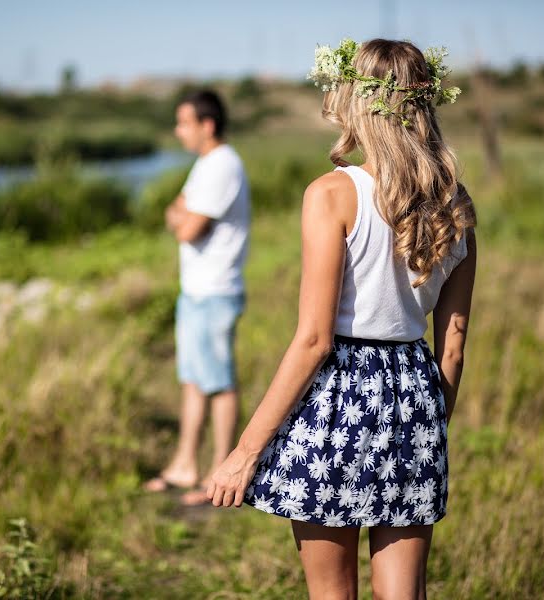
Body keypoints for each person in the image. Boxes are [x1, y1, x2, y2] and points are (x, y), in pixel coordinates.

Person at [204, 39, 477, 599]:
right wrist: (427, 424)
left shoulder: (332, 194)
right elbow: (452, 348)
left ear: (356, 101)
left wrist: (244, 452)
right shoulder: (455, 203)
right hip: (414, 393)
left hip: (339, 398)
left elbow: (312, 340)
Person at [143, 90, 251, 507]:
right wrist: (181, 215)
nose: (178, 130)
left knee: (219, 382)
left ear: (207, 124)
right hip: (196, 291)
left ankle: (218, 474)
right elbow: (177, 212)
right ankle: (185, 464)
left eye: (184, 122)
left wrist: (181, 218)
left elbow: (187, 227)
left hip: (216, 291)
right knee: (193, 379)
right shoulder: (206, 165)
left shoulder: (223, 165)